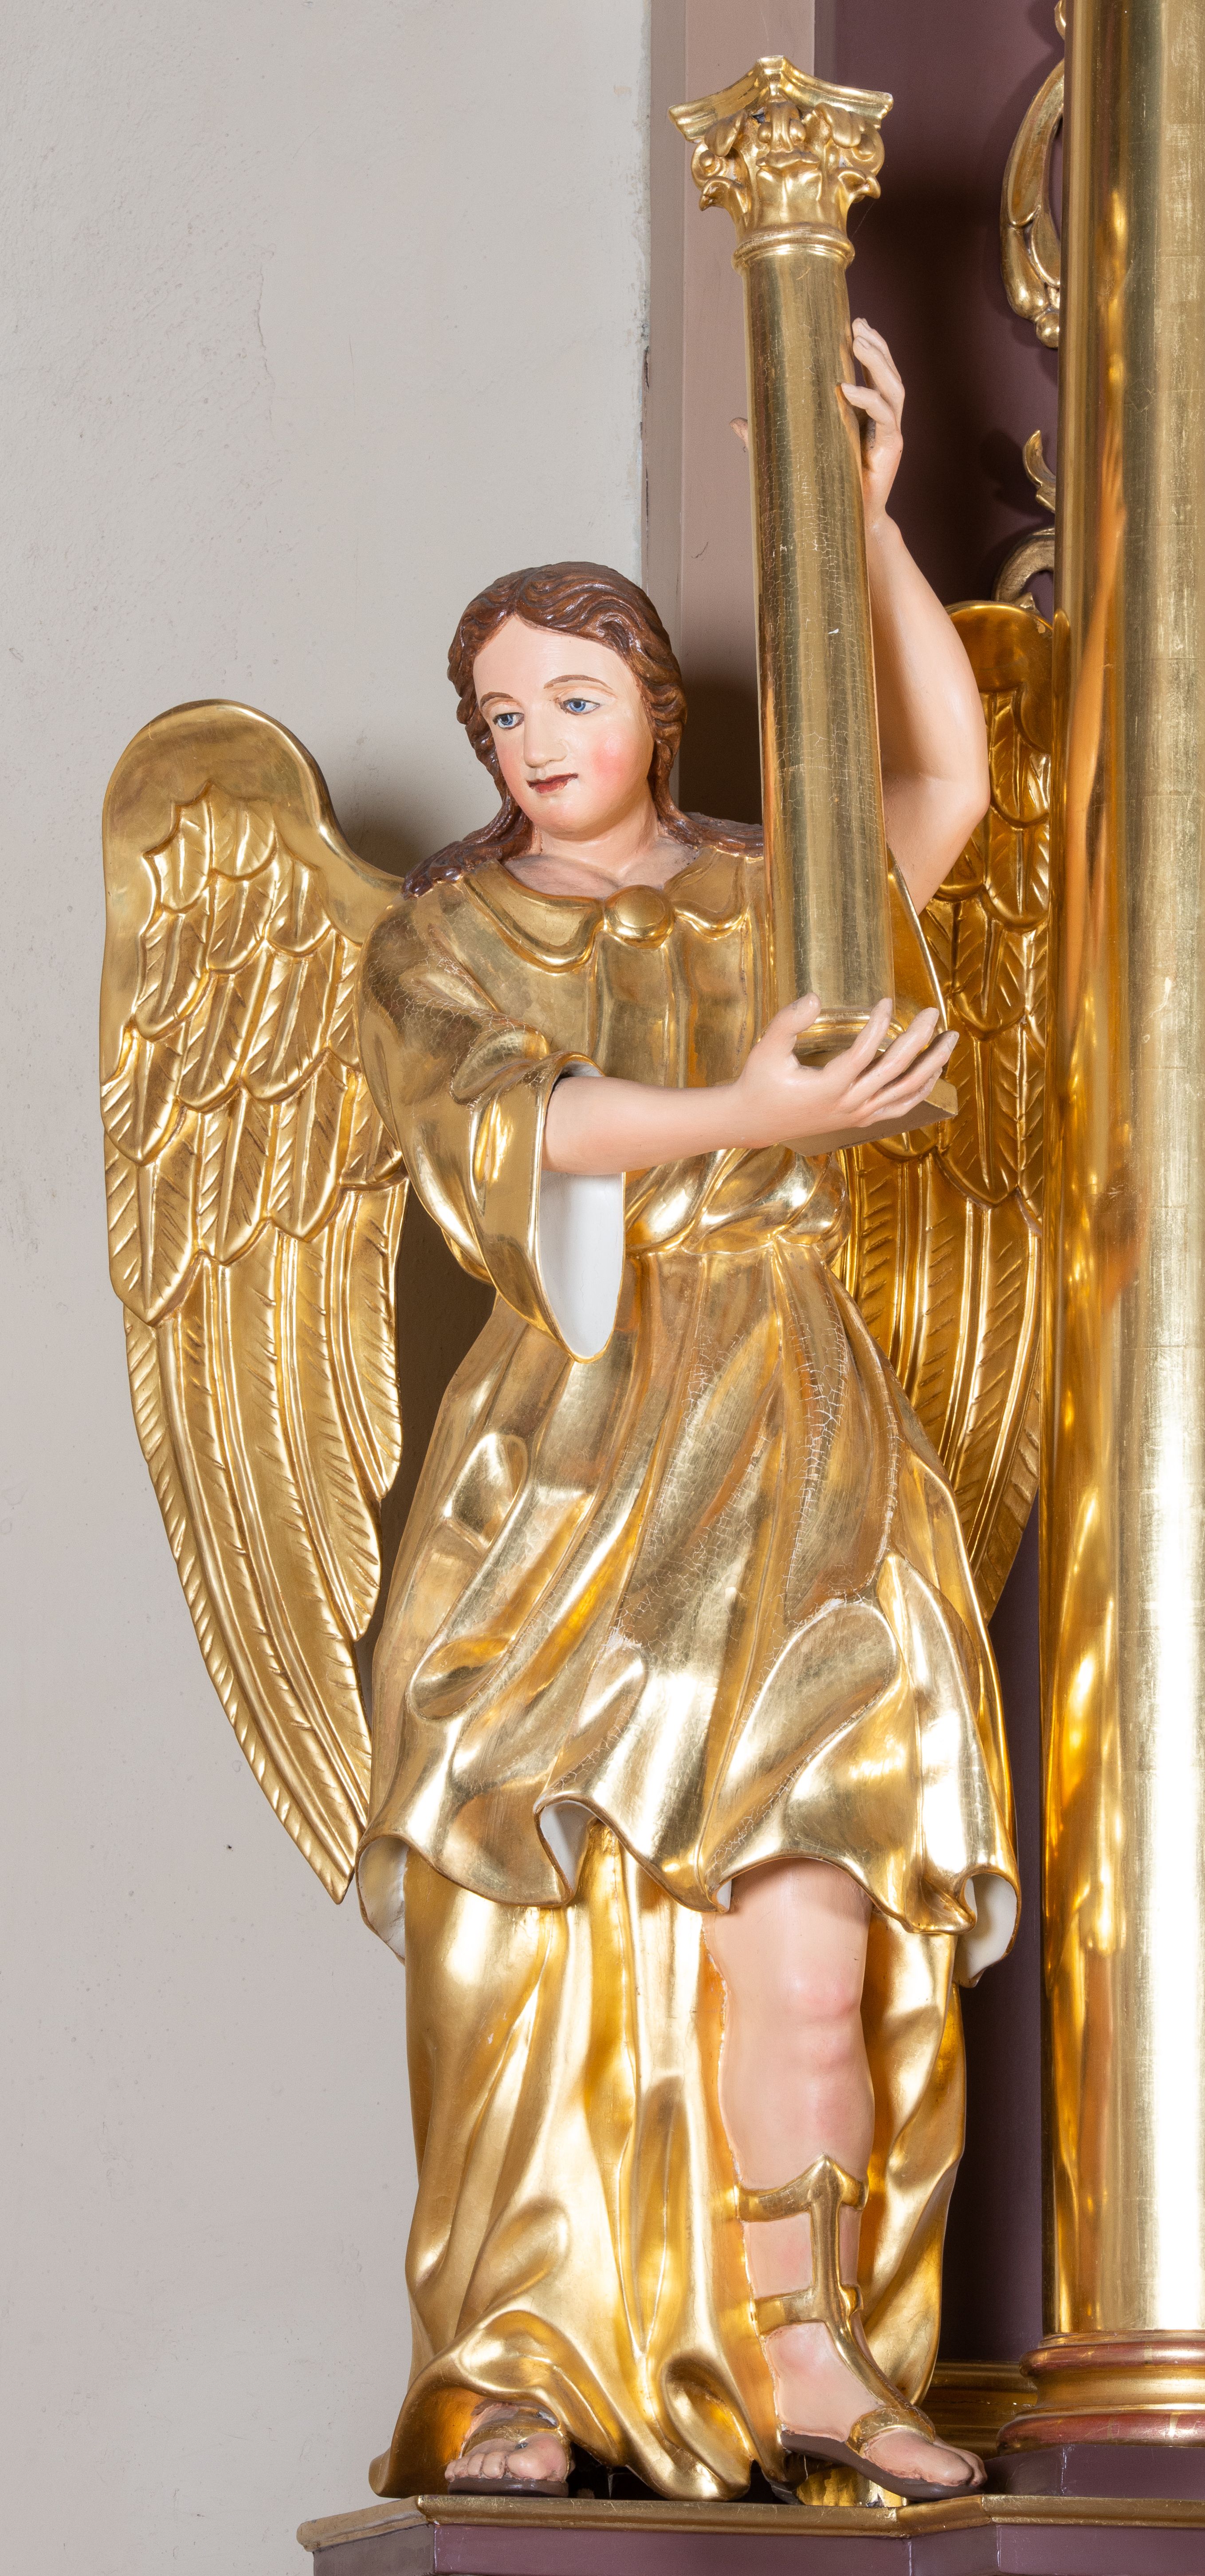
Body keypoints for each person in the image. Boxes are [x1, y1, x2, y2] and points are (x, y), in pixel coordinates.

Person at [354, 323, 1017, 2505]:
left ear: (650, 697)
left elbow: (946, 785)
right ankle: (512, 2359)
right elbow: (511, 1135)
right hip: (571, 1451)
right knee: (522, 1925)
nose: (535, 741)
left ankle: (810, 2347)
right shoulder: (447, 936)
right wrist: (749, 1109)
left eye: (571, 695)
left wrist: (860, 521)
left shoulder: (767, 892)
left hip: (795, 1425)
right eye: (497, 715)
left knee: (806, 1921)